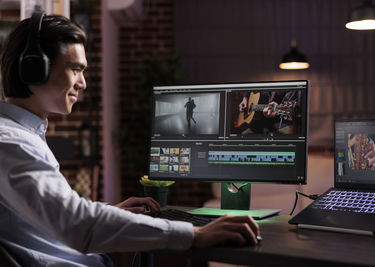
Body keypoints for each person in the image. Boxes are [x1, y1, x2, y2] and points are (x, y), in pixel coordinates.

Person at [0, 14, 259, 266]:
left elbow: (52, 214)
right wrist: (195, 235)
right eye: (76, 69)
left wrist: (111, 212)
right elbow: (75, 225)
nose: (83, 83)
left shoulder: (22, 136)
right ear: (33, 69)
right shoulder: (11, 143)